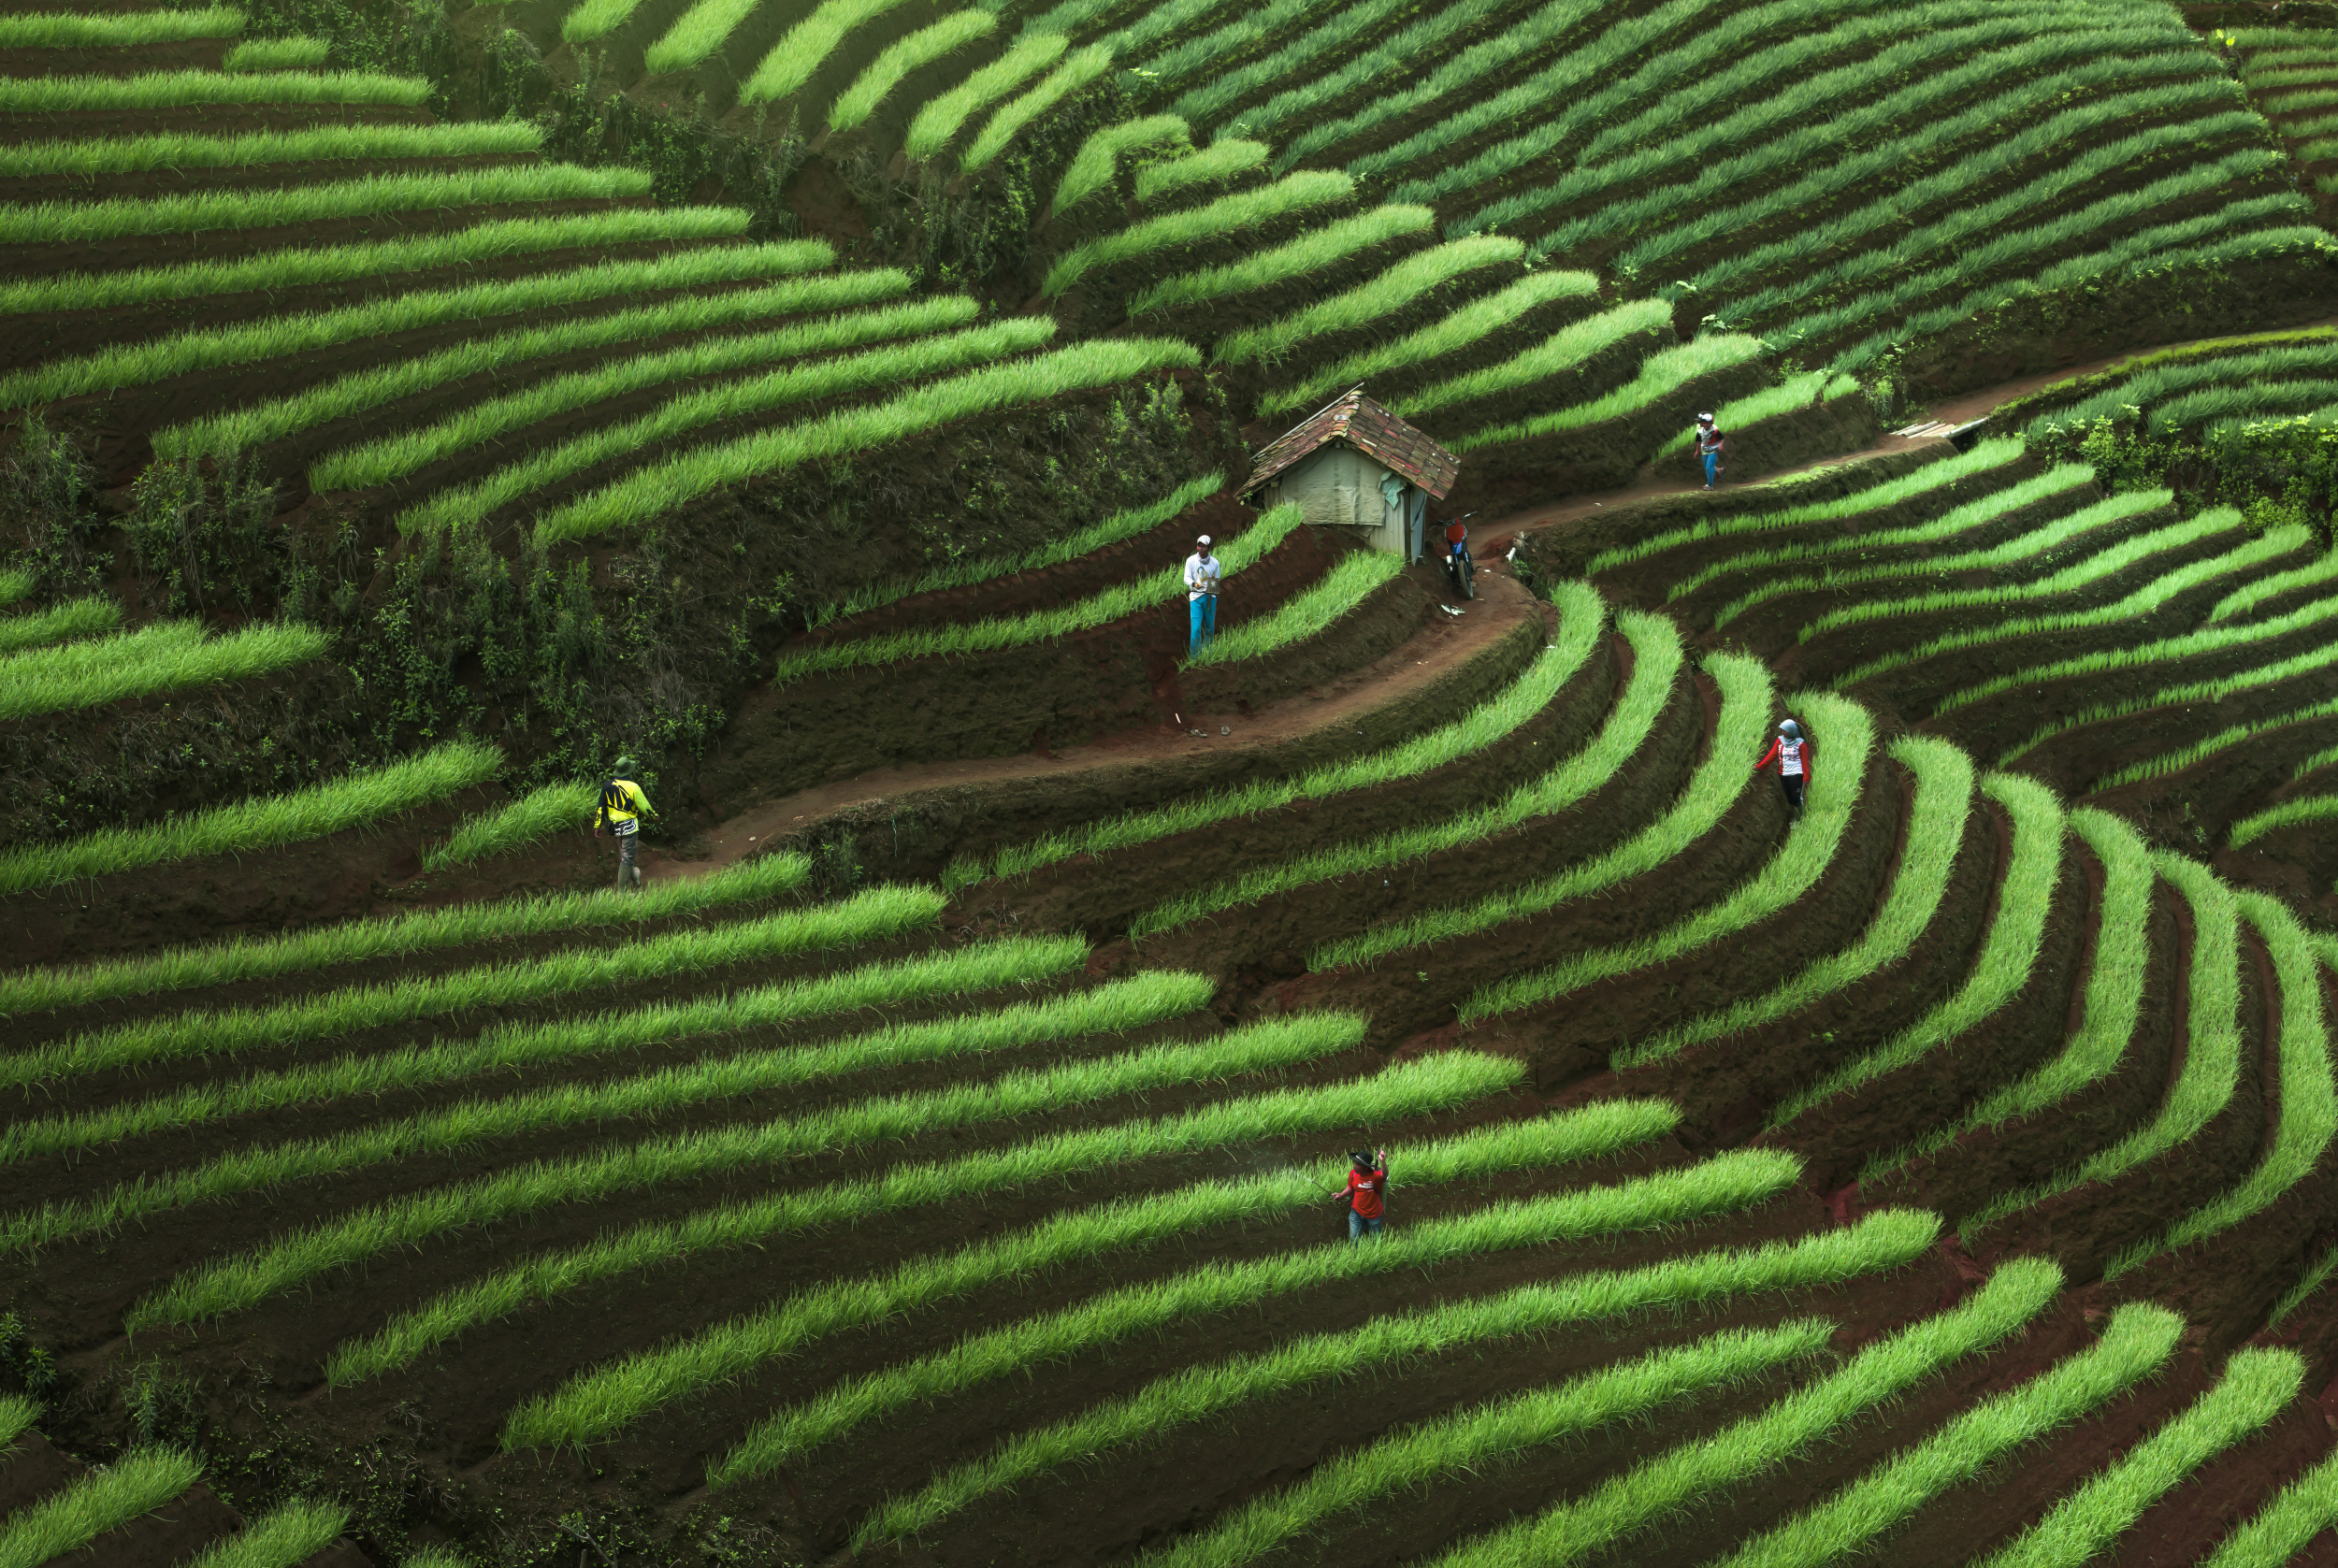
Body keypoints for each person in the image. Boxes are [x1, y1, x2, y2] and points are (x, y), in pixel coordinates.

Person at [592, 755, 656, 891]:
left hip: (615, 828)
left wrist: (597, 825)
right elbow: (645, 807)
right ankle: (622, 894)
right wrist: (654, 816)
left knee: (626, 857)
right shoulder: (633, 787)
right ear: (628, 771)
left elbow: (601, 807)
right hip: (630, 828)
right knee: (627, 859)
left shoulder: (607, 786)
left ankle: (636, 878)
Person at [1754, 719, 1812, 824]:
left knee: (1795, 797)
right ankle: (1795, 813)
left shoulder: (1801, 744)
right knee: (1790, 797)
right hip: (1784, 774)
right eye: (1782, 730)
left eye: (1785, 731)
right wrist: (1759, 766)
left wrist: (1806, 777)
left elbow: (1804, 761)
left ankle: (1798, 820)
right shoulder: (1780, 741)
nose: (1782, 732)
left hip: (1797, 773)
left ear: (1792, 731)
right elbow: (1772, 755)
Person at [1332, 1146, 1389, 1241]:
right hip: (1356, 1212)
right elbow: (1350, 1187)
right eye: (1354, 1163)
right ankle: (1356, 1250)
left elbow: (1385, 1175)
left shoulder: (1375, 1176)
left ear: (1365, 1167)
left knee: (1375, 1240)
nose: (1354, 1166)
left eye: (1358, 1164)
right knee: (1354, 1238)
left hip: (1373, 1215)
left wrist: (1382, 1161)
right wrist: (1341, 1195)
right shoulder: (1353, 1174)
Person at [1184, 533, 1220, 655]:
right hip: (1195, 598)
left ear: (1209, 548)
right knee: (1195, 629)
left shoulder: (1215, 563)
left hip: (1210, 598)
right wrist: (1194, 584)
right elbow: (1186, 578)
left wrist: (1210, 590)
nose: (1200, 548)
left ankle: (1208, 653)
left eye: (1203, 546)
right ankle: (1195, 656)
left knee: (1209, 627)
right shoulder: (1191, 560)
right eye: (1199, 546)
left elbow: (1216, 580)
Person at [1695, 413, 1726, 489]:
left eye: (1707, 423)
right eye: (1703, 422)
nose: (1705, 424)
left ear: (1711, 423)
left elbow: (1722, 438)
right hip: (1704, 451)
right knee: (1707, 467)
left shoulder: (1714, 431)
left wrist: (1721, 445)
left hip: (1713, 450)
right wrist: (1697, 450)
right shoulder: (1700, 431)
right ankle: (1719, 471)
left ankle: (1710, 485)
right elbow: (1698, 441)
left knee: (1709, 467)